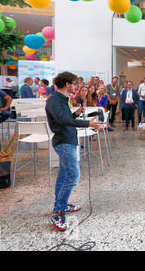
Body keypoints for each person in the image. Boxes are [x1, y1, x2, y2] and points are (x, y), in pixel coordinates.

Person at [45, 72, 103, 231]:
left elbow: (65, 118)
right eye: (75, 84)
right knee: (73, 175)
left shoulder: (61, 100)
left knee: (64, 175)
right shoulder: (54, 100)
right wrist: (87, 123)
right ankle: (58, 212)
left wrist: (76, 113)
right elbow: (63, 121)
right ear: (67, 84)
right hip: (64, 142)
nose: (77, 86)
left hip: (67, 140)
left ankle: (61, 205)